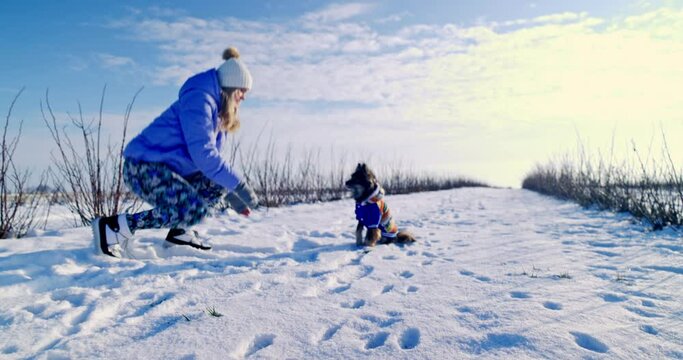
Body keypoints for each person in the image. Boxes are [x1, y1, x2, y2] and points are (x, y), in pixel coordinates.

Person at [92, 47, 258, 258]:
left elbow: (211, 166)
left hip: (168, 169)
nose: (243, 97)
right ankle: (113, 228)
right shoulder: (200, 101)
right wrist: (240, 186)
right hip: (144, 167)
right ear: (229, 89)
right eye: (241, 91)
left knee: (215, 184)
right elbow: (204, 154)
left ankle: (180, 233)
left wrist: (231, 194)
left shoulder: (217, 112)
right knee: (190, 209)